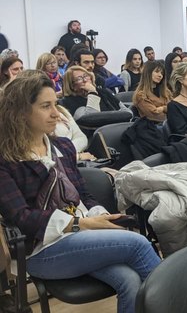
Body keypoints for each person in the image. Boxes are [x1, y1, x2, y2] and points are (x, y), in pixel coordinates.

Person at [0, 72, 160, 313]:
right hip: (43, 249)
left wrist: (99, 216)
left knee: (130, 280)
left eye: (56, 104)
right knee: (139, 243)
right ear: (21, 112)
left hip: (81, 234)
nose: (57, 113)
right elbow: (21, 218)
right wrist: (81, 224)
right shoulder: (7, 160)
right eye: (46, 106)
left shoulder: (62, 146)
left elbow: (83, 193)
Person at [60, 66, 132, 119]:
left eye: (86, 76)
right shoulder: (70, 102)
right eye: (79, 79)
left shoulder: (102, 92)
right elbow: (92, 119)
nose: (85, 80)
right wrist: (92, 92)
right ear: (72, 86)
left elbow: (128, 112)